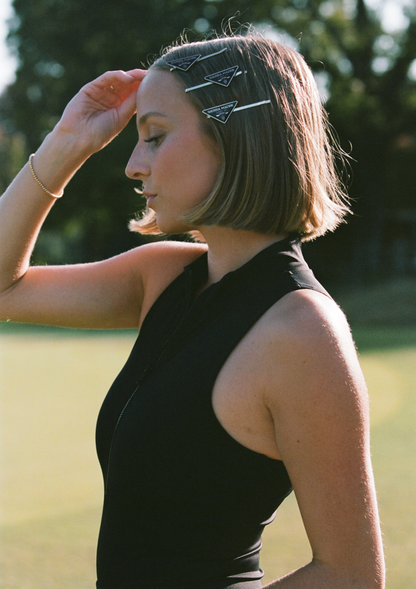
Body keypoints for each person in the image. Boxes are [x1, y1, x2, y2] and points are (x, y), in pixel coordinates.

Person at [0, 32, 385, 589]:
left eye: (154, 137)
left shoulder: (302, 331)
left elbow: (350, 575)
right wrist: (67, 142)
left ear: (234, 138)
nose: (133, 166)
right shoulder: (164, 276)